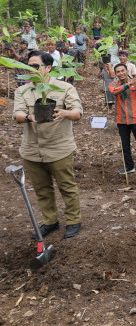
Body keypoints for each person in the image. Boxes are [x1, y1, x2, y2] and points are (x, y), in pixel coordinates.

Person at [12, 51, 83, 239]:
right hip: (31, 150)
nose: (31, 69)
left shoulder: (64, 88)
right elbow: (17, 114)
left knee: (67, 187)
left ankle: (74, 221)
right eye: (28, 66)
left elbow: (77, 112)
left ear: (48, 67)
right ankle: (50, 221)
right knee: (41, 189)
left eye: (35, 66)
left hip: (59, 148)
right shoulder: (23, 90)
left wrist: (64, 113)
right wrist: (29, 117)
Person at [109, 64, 136, 176]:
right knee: (125, 145)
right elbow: (114, 91)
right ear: (116, 74)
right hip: (121, 120)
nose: (121, 73)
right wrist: (129, 83)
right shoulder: (114, 84)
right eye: (118, 71)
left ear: (127, 71)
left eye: (123, 70)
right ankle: (129, 167)